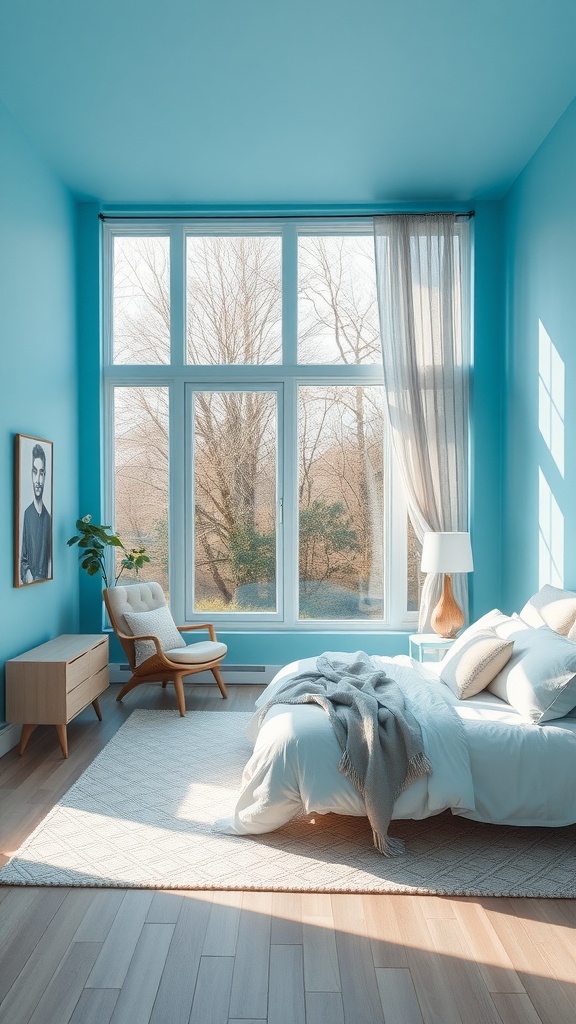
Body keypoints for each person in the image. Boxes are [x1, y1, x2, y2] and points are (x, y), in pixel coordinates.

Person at [20, 442, 52, 583]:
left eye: (41, 473)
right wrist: (28, 574)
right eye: (35, 472)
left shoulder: (48, 518)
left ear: (45, 476)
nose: (38, 480)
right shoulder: (27, 514)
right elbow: (23, 559)